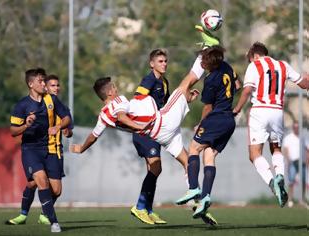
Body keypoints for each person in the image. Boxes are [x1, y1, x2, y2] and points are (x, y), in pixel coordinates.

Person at [232, 42, 309, 207]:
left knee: (254, 154)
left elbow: (247, 91)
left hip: (259, 110)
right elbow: (304, 84)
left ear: (255, 56)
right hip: (277, 111)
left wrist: (237, 109)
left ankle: (272, 183)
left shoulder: (255, 65)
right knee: (276, 148)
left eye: (249, 59)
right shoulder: (283, 65)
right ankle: (280, 175)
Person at [175, 46, 238, 218]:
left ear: (210, 63)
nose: (201, 63)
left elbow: (208, 107)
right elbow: (237, 84)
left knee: (194, 148)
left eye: (203, 60)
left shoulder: (211, 80)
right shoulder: (227, 67)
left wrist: (201, 124)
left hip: (216, 118)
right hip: (229, 121)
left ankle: (194, 188)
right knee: (208, 155)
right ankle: (205, 197)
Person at [8, 68, 71, 233]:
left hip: (50, 149)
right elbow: (13, 131)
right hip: (30, 150)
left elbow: (67, 118)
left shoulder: (51, 100)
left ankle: (44, 211)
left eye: (44, 81)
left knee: (56, 190)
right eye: (41, 81)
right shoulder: (22, 105)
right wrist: (26, 124)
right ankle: (54, 222)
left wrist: (58, 126)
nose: (44, 84)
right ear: (31, 84)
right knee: (41, 181)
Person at [130, 49, 172, 225]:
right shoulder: (149, 80)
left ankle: (148, 209)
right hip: (144, 131)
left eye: (165, 61)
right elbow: (138, 98)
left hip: (155, 130)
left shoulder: (164, 82)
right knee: (155, 168)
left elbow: (167, 105)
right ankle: (139, 207)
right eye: (160, 61)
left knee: (154, 170)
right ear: (152, 64)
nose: (164, 64)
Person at [282, 121, 309, 207]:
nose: (296, 129)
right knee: (291, 181)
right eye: (295, 127)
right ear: (293, 128)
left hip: (302, 163)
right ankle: (290, 200)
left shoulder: (302, 138)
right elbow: (285, 150)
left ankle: (303, 199)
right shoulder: (288, 138)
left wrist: (307, 160)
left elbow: (306, 149)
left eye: (298, 127)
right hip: (293, 162)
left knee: (304, 181)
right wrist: (288, 160)